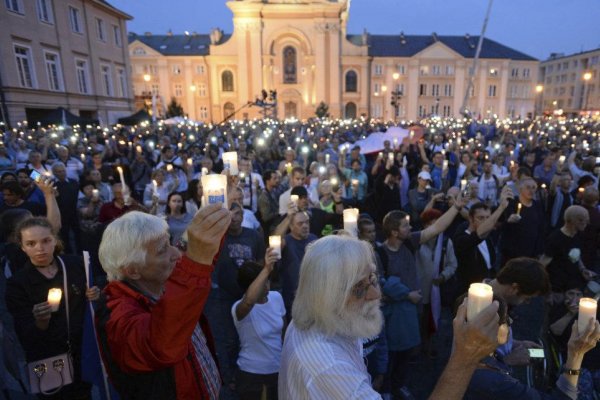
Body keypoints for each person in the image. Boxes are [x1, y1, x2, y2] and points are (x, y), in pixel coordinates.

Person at [279, 234, 502, 400]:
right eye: (359, 288)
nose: (376, 294)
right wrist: (465, 358)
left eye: (373, 279)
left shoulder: (321, 315)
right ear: (328, 296)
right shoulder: (327, 364)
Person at [96, 204, 231, 399]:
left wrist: (213, 224)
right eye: (162, 250)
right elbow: (161, 345)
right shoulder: (116, 314)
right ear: (133, 270)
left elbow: (197, 263)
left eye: (170, 243)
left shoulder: (160, 277)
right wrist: (197, 260)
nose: (176, 254)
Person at [463, 259, 600, 400]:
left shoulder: (490, 298)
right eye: (527, 299)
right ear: (515, 288)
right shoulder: (475, 310)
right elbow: (467, 359)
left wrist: (514, 343)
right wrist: (506, 361)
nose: (510, 322)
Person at [5, 217, 100, 399]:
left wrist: (95, 295)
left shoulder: (75, 265)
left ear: (55, 240)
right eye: (31, 243)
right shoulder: (18, 284)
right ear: (23, 247)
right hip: (47, 358)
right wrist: (41, 321)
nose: (40, 248)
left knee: (83, 395)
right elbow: (25, 334)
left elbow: (94, 306)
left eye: (46, 241)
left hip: (81, 353)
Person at [231, 251, 285, 400]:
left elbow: (282, 332)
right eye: (262, 283)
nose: (267, 287)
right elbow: (249, 301)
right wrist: (266, 269)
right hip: (252, 376)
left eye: (267, 281)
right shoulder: (239, 309)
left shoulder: (276, 298)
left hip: (278, 371)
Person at [454, 186, 513, 294]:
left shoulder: (488, 235)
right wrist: (501, 207)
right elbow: (476, 236)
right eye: (481, 218)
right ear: (471, 219)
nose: (486, 222)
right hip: (468, 291)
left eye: (488, 218)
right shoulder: (462, 239)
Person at [541, 205, 594, 296]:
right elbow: (543, 264)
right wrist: (547, 291)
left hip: (572, 286)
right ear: (573, 221)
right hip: (556, 289)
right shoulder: (555, 238)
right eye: (583, 220)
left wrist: (583, 269)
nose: (586, 223)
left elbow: (577, 255)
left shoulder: (577, 235)